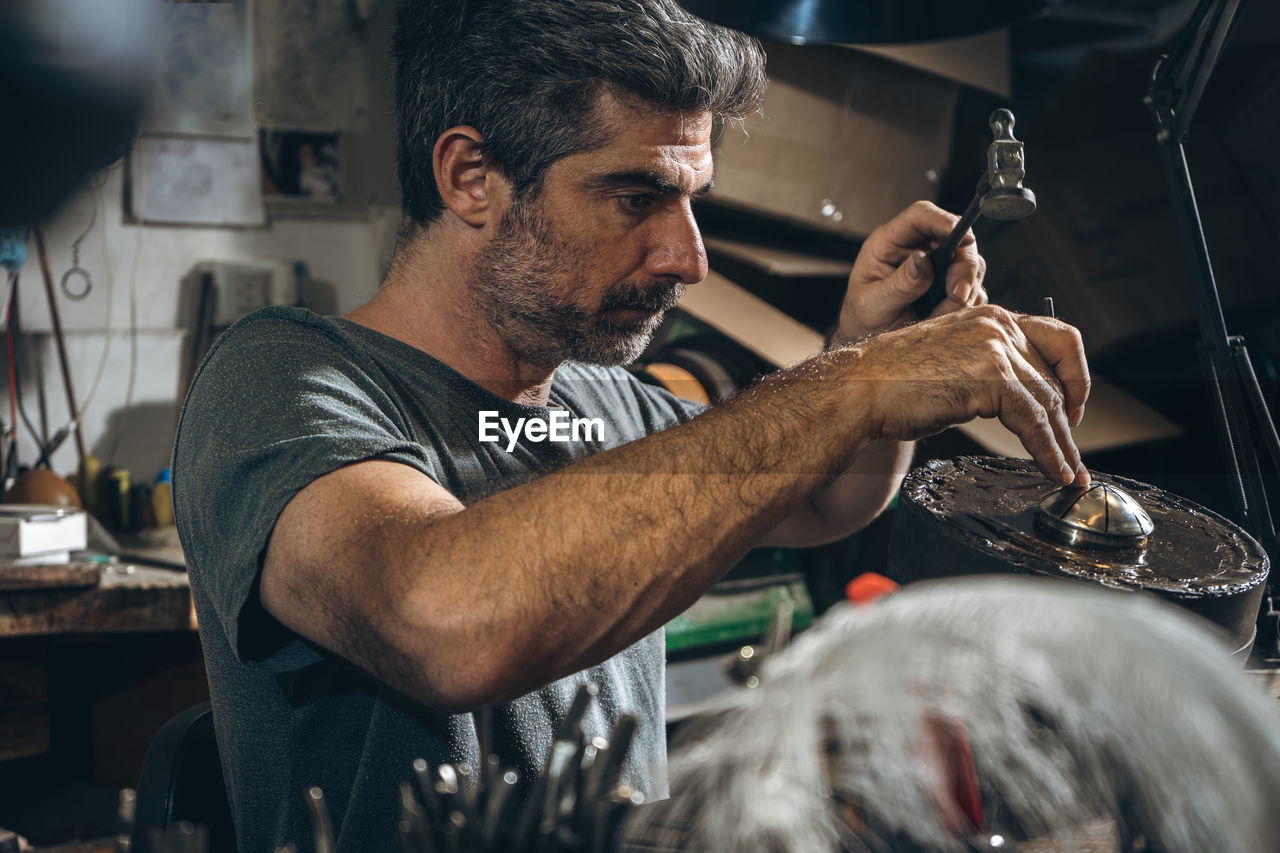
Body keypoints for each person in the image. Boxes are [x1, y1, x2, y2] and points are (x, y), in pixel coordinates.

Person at [171, 0, 1091, 849]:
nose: (687, 257)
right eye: (637, 197)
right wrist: (852, 383)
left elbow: (823, 503)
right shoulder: (288, 377)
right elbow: (445, 624)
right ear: (471, 178)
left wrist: (871, 347)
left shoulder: (612, 405)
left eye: (692, 201)